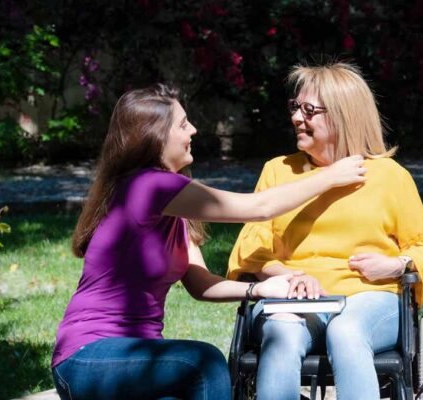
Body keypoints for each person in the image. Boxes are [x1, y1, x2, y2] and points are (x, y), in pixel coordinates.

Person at [51, 83, 367, 400]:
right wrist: (329, 177)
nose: (195, 130)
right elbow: (258, 208)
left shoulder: (171, 209)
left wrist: (259, 289)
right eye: (183, 124)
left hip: (134, 360)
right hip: (88, 355)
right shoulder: (149, 186)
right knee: (205, 363)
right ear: (157, 135)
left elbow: (200, 284)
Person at [227, 63, 423, 400]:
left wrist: (396, 264)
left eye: (309, 110)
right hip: (292, 299)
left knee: (347, 330)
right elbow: (253, 251)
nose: (295, 118)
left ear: (343, 116)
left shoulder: (389, 176)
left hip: (368, 297)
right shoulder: (277, 171)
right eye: (295, 107)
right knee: (281, 334)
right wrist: (288, 275)